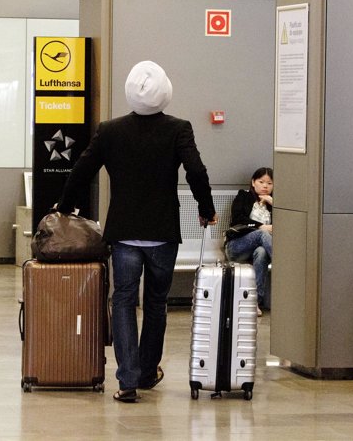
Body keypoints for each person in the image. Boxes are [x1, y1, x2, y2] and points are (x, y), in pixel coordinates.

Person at [56, 61, 217, 403]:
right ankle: (147, 372)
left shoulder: (110, 130)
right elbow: (196, 171)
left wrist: (66, 207)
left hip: (124, 233)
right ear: (166, 92)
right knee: (157, 303)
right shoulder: (179, 129)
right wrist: (206, 209)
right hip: (163, 233)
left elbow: (82, 169)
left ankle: (127, 380)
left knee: (124, 301)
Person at [224, 167, 273, 317]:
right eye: (261, 182)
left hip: (259, 249)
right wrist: (260, 226)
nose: (265, 186)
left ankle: (254, 303)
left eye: (270, 183)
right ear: (253, 182)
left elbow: (287, 225)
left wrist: (274, 203)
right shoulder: (243, 196)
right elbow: (238, 220)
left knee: (262, 252)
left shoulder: (274, 204)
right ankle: (286, 267)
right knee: (261, 234)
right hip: (237, 246)